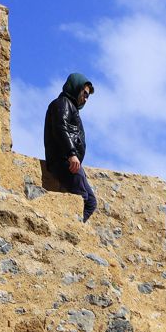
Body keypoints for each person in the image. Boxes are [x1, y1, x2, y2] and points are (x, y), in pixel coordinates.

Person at [42, 72, 98, 222]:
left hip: (70, 161)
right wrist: (71, 153)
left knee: (91, 202)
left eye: (88, 96)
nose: (85, 98)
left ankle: (75, 226)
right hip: (63, 160)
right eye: (84, 93)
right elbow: (61, 128)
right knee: (82, 197)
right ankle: (70, 226)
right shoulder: (63, 103)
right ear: (76, 88)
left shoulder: (72, 107)